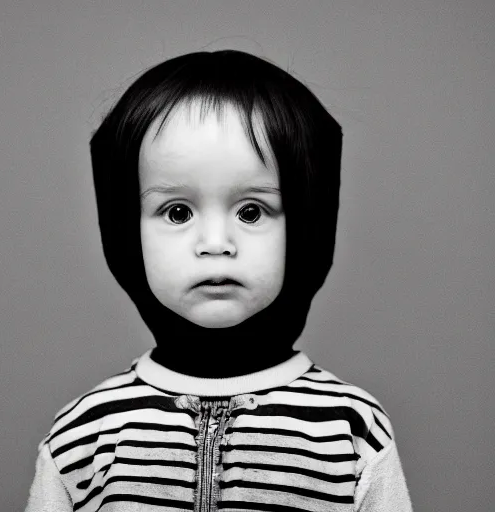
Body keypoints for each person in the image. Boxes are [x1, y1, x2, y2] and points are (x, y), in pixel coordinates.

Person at [25, 49, 413, 511]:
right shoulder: (84, 433)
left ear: (308, 225)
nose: (215, 242)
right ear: (126, 229)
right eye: (177, 211)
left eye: (251, 211)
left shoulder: (349, 432)